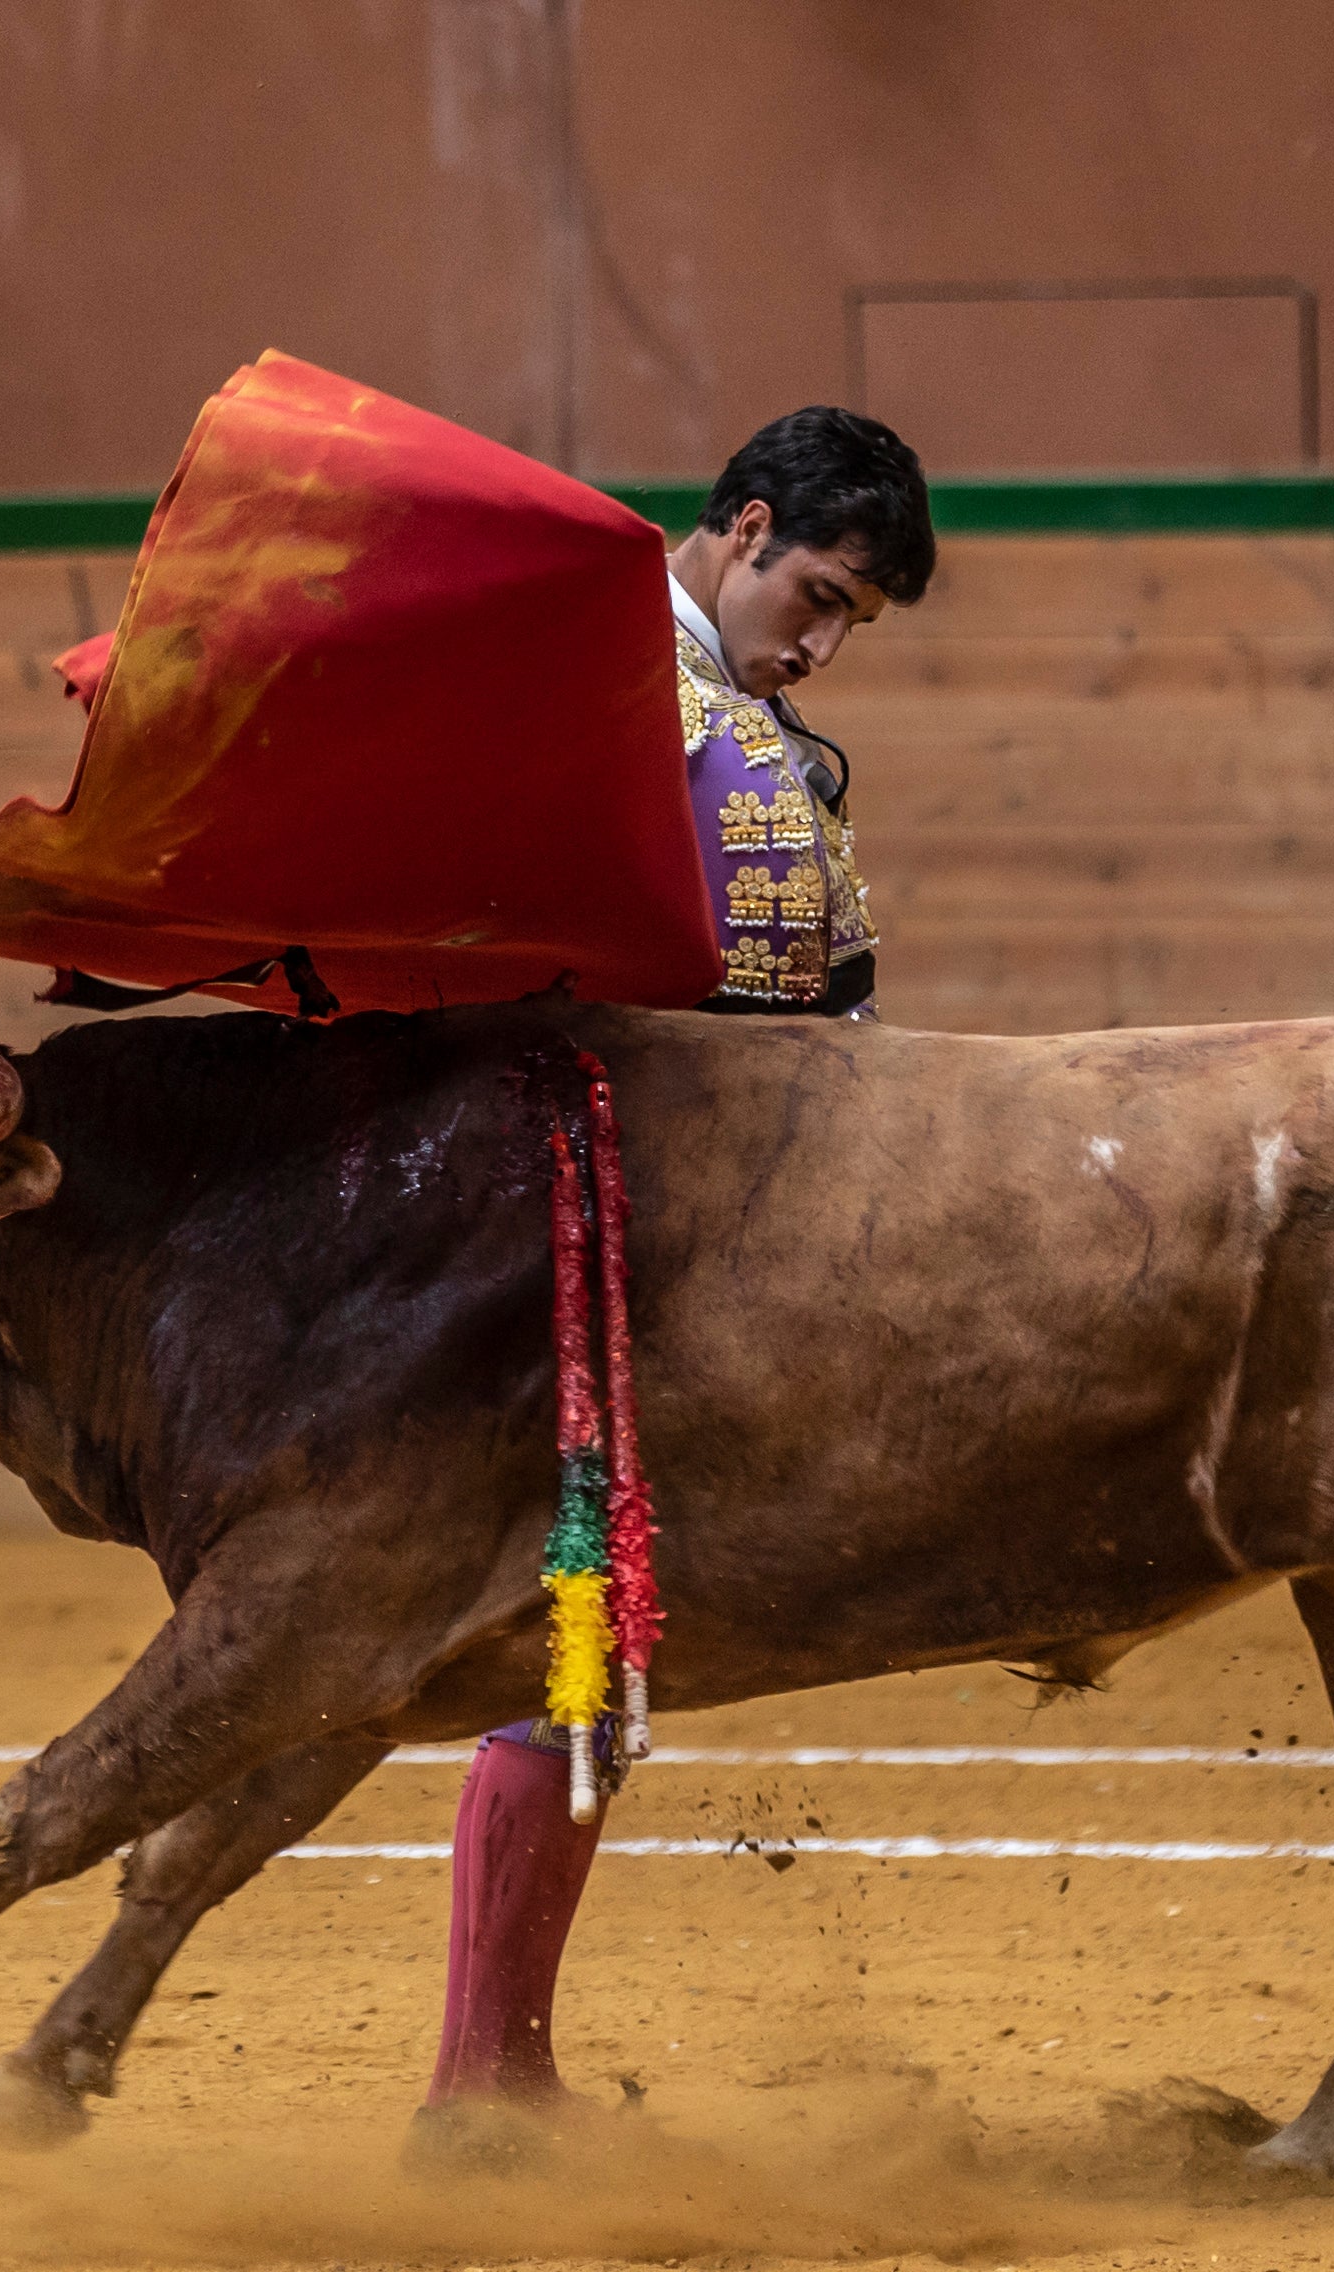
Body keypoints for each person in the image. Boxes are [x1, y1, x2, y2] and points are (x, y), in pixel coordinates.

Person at [416, 406, 935, 2157]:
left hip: (665, 1203)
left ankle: (493, 2075)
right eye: (823, 589)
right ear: (745, 525)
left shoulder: (715, 707)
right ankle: (479, 2086)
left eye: (857, 615)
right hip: (579, 1215)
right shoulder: (609, 681)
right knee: (573, 1621)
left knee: (588, 1629)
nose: (829, 634)